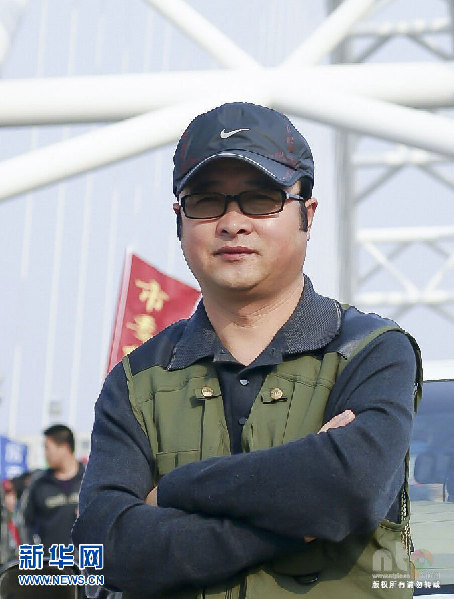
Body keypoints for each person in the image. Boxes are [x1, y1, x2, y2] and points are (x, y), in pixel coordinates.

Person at [72, 102, 422, 598]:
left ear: (307, 215)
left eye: (261, 199)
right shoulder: (136, 382)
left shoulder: (370, 351)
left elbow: (351, 487)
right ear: (179, 219)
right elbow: (101, 548)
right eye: (206, 201)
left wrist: (172, 492)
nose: (233, 223)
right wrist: (299, 519)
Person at [19, 424, 84, 553]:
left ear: (64, 448)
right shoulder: (39, 484)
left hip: (85, 562)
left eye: (47, 448)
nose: (45, 454)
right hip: (49, 562)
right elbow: (25, 524)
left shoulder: (89, 481)